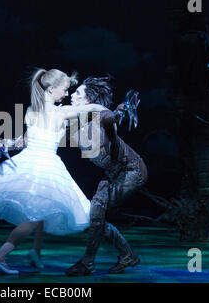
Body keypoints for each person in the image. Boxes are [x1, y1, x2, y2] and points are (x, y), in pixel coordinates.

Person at [0, 68, 108, 275]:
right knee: (35, 214)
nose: (66, 94)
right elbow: (94, 107)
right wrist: (115, 109)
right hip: (43, 165)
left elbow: (26, 141)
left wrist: (6, 144)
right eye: (64, 90)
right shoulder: (60, 112)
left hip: (29, 161)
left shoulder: (31, 110)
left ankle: (35, 251)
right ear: (51, 88)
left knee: (40, 208)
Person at [63, 76, 148, 276]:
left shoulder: (101, 116)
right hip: (111, 174)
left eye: (78, 93)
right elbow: (46, 138)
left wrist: (121, 110)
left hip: (132, 170)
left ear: (89, 99)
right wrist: (14, 142)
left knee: (96, 213)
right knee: (95, 216)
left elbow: (111, 118)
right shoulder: (74, 125)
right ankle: (127, 255)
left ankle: (88, 262)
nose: (73, 95)